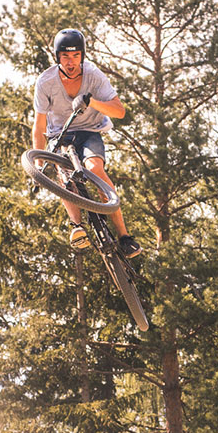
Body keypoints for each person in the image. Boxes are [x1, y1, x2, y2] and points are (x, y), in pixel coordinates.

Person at [33, 27, 142, 259]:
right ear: (57, 57)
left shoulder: (94, 75)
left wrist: (92, 102)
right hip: (60, 135)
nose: (71, 62)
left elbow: (119, 111)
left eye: (75, 56)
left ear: (82, 55)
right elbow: (39, 125)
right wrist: (40, 162)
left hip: (89, 131)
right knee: (65, 178)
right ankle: (77, 227)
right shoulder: (46, 82)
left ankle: (124, 237)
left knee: (95, 169)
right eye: (65, 56)